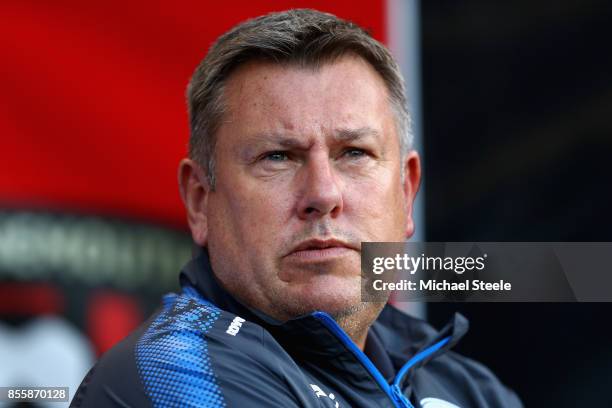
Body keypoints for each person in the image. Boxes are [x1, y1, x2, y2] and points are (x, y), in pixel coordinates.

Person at [71, 9, 522, 408]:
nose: (323, 194)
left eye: (354, 153)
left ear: (406, 193)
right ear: (199, 200)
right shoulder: (176, 372)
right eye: (277, 157)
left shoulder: (465, 387)